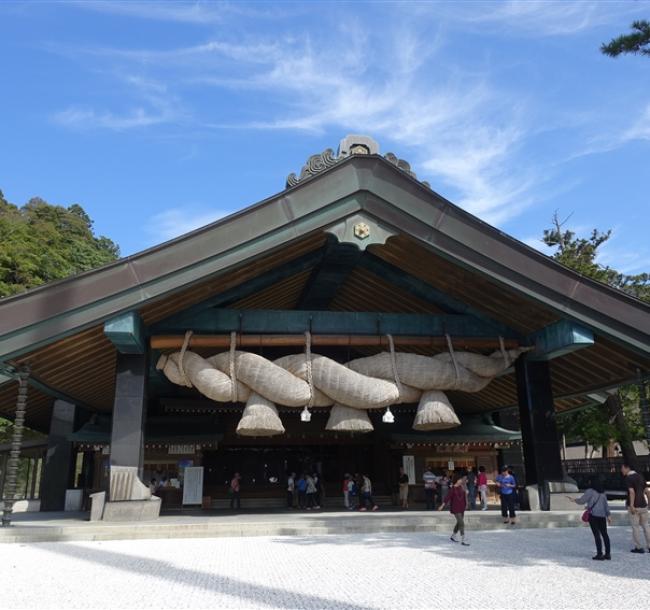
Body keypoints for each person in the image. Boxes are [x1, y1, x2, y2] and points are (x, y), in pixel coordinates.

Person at [567, 481, 611, 560]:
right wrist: (608, 515)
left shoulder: (590, 491)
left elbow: (582, 500)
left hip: (593, 515)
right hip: (602, 516)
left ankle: (599, 554)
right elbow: (606, 505)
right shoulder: (603, 492)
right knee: (605, 534)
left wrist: (574, 500)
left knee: (597, 535)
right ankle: (608, 554)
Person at [621, 462, 650, 553]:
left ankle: (638, 547)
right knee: (646, 526)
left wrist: (632, 505)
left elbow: (631, 492)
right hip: (643, 504)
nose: (621, 470)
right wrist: (649, 502)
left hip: (634, 506)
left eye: (622, 468)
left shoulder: (628, 478)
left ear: (627, 468)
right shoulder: (641, 476)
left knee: (635, 527)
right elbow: (647, 491)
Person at [439, 473, 470, 546]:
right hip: (455, 507)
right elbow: (447, 498)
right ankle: (463, 539)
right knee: (461, 523)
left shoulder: (462, 487)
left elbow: (465, 496)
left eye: (461, 479)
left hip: (462, 506)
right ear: (456, 480)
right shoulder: (452, 489)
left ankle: (453, 535)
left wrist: (467, 503)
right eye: (460, 479)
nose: (461, 481)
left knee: (459, 523)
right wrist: (442, 506)